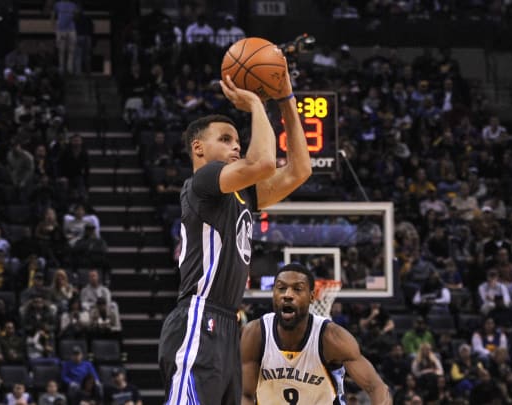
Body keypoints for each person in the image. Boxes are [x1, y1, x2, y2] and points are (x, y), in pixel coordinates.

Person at [158, 60, 312, 405]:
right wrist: (258, 103)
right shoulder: (202, 182)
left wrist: (286, 97)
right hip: (199, 317)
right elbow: (264, 163)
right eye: (226, 139)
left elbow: (300, 169)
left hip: (227, 323)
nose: (236, 147)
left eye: (238, 141)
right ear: (198, 148)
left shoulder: (242, 195)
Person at [240, 264, 391, 404]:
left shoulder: (332, 337)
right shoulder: (255, 334)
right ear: (273, 293)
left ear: (312, 297)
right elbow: (245, 394)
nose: (287, 295)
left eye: (297, 289)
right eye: (281, 288)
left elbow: (376, 387)